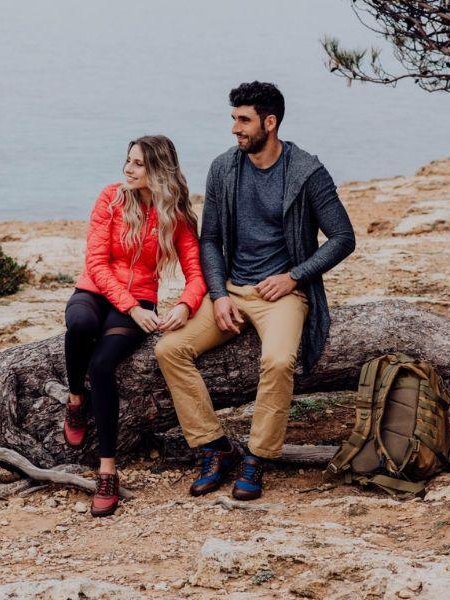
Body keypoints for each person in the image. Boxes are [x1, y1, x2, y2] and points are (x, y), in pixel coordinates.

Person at [155, 81, 356, 501]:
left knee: (278, 361)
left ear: (270, 122)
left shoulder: (307, 172)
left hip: (283, 295)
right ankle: (214, 446)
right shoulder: (223, 169)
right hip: (231, 289)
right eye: (233, 119)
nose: (235, 128)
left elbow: (342, 237)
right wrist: (218, 295)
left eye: (243, 120)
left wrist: (294, 276)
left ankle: (257, 457)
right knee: (169, 349)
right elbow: (210, 240)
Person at [64, 135, 207, 517]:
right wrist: (129, 308)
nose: (128, 169)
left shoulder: (175, 215)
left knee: (102, 366)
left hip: (141, 298)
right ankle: (75, 400)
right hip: (95, 290)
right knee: (79, 325)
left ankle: (107, 471)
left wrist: (186, 305)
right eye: (128, 160)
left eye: (138, 163)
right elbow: (96, 263)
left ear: (159, 169)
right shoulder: (111, 198)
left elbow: (197, 274)